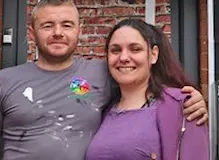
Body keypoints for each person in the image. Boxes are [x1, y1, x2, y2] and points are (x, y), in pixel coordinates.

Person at [0, 0, 207, 160]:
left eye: (67, 25)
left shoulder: (103, 73)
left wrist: (193, 99)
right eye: (47, 26)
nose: (58, 33)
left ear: (79, 30)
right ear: (32, 33)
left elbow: (141, 81)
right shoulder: (3, 81)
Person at [86, 18, 209, 160]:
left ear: (153, 55)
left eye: (135, 49)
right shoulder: (103, 110)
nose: (124, 57)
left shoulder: (184, 106)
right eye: (116, 50)